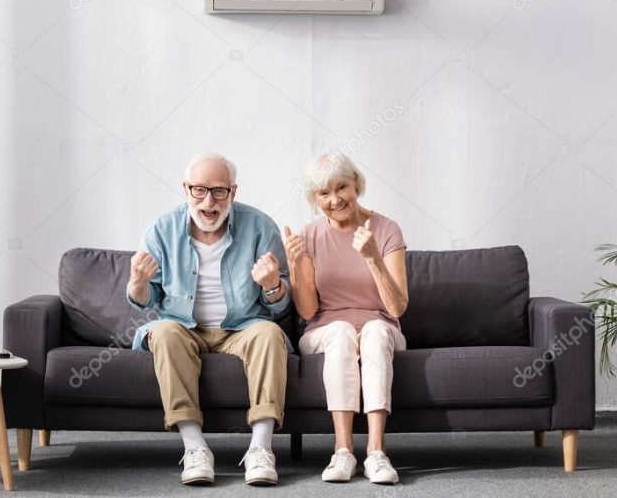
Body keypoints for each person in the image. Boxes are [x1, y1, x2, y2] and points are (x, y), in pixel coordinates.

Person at [126, 152, 291, 486]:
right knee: (165, 332)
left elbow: (279, 306)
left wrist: (273, 286)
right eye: (199, 190)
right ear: (185, 189)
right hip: (183, 326)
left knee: (269, 333)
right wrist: (138, 284)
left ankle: (260, 449)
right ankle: (195, 448)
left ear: (233, 192)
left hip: (241, 327)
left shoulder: (261, 227)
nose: (209, 202)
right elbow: (147, 302)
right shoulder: (161, 228)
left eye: (219, 192)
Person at [284, 153, 409, 485]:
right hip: (326, 330)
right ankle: (343, 451)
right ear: (315, 199)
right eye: (324, 193)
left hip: (381, 327)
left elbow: (396, 308)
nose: (335, 199)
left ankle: (377, 453)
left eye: (342, 187)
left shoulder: (386, 230)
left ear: (357, 184)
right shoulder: (308, 235)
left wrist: (373, 259)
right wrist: (295, 267)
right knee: (340, 331)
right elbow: (309, 312)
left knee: (374, 331)